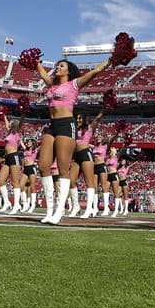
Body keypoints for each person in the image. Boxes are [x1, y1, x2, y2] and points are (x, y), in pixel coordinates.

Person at [31, 58, 111, 224]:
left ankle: (60, 210)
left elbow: (95, 71)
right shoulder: (52, 85)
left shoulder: (74, 84)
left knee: (63, 167)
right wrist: (35, 62)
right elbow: (43, 73)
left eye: (61, 66)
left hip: (66, 124)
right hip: (52, 125)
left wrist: (111, 59)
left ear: (68, 70)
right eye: (57, 65)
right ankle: (50, 210)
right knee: (43, 166)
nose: (57, 67)